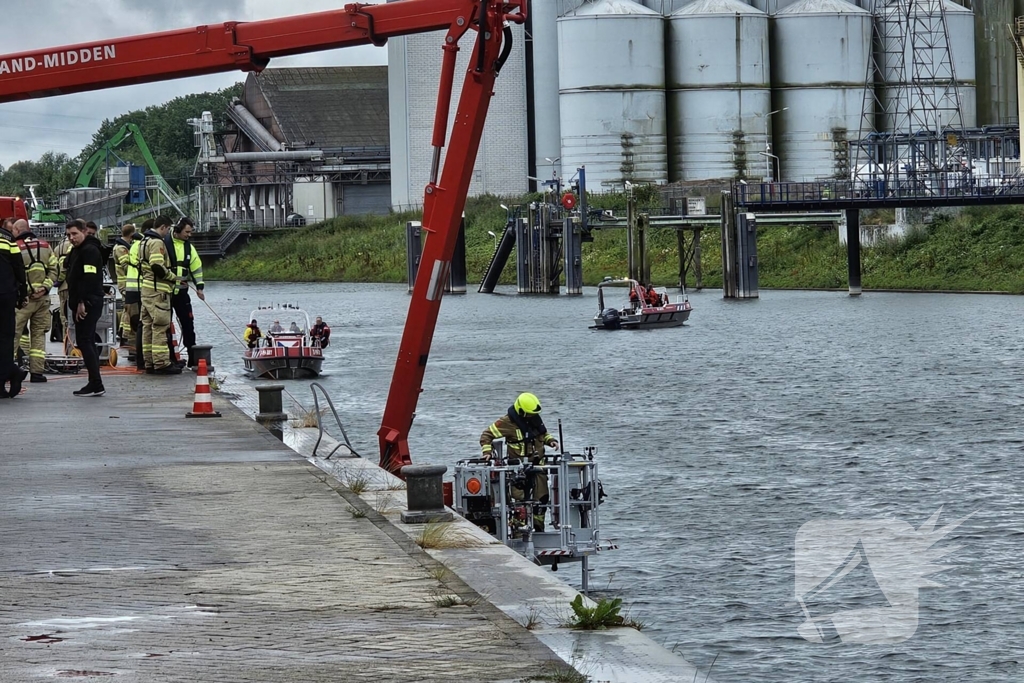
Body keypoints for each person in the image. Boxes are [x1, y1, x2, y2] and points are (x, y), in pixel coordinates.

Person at [479, 392, 559, 532]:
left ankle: (539, 529)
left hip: (538, 467)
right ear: (521, 411)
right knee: (519, 502)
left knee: (542, 499)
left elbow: (542, 434)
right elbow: (487, 435)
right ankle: (518, 531)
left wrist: (551, 441)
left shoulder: (534, 419)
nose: (531, 416)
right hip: (517, 470)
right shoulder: (506, 422)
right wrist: (487, 452)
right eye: (529, 414)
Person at [130, 215, 180, 375]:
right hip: (158, 292)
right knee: (159, 327)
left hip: (146, 291)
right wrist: (172, 277)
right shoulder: (157, 242)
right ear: (163, 227)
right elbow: (157, 266)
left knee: (147, 327)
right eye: (168, 229)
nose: (168, 233)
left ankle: (149, 362)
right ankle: (162, 363)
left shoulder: (143, 242)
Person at [11, 219, 57, 383]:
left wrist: (26, 292)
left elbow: (13, 274)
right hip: (42, 299)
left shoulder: (14, 247)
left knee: (12, 335)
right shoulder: (45, 246)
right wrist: (44, 288)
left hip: (22, 301)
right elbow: (54, 270)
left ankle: (8, 370)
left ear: (17, 230)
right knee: (38, 335)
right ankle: (37, 373)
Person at [65, 220, 106, 397]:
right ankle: (94, 382)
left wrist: (82, 302)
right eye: (68, 235)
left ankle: (96, 383)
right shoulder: (78, 250)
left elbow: (89, 278)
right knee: (85, 340)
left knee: (85, 340)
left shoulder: (89, 251)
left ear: (84, 232)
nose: (71, 238)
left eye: (74, 234)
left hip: (89, 301)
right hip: (82, 301)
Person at [165, 217, 205, 367]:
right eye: (187, 232)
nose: (189, 235)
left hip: (182, 293)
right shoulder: (164, 243)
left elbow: (196, 267)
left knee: (188, 324)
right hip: (166, 292)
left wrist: (199, 287)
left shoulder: (189, 248)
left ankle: (192, 356)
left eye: (191, 232)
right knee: (164, 325)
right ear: (178, 230)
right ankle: (169, 357)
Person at [0, 218, 27, 398]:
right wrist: (22, 293)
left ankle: (8, 375)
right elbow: (19, 266)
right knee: (5, 339)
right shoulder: (8, 238)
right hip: (6, 294)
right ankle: (9, 373)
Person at [112, 224, 136, 349]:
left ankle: (123, 333)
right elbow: (127, 266)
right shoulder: (121, 248)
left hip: (128, 283)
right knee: (129, 310)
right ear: (132, 234)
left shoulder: (124, 247)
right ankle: (126, 336)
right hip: (126, 284)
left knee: (127, 309)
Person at [52, 222, 73, 344]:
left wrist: (59, 280)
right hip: (75, 285)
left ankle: (67, 340)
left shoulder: (58, 248)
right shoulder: (78, 245)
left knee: (64, 314)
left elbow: (56, 267)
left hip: (64, 286)